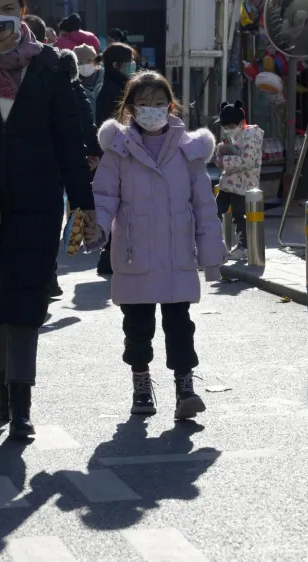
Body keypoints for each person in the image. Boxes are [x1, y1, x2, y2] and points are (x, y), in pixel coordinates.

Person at [0, 1, 95, 439]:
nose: (1, 14)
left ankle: (21, 404)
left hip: (38, 198)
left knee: (28, 304)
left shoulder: (50, 63)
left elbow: (69, 138)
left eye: (10, 5)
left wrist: (83, 202)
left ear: (23, 11)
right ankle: (1, 392)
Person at [89, 71, 226, 419]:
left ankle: (185, 388)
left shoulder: (189, 151)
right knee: (137, 327)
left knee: (180, 324)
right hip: (134, 254)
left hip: (178, 255)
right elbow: (104, 197)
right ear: (131, 109)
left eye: (159, 103)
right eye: (145, 104)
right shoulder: (118, 150)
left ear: (171, 105)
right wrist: (98, 229)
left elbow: (204, 208)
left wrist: (211, 256)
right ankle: (141, 383)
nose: (152, 109)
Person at [52, 48, 103, 297]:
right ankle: (48, 273)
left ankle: (49, 272)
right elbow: (84, 115)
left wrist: (93, 150)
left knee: (57, 211)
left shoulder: (53, 72)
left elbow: (84, 115)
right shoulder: (61, 74)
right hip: (65, 156)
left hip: (57, 158)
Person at [94, 42, 137, 275]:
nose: (132, 66)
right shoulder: (114, 90)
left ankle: (110, 256)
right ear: (116, 64)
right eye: (128, 61)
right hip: (119, 157)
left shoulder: (116, 86)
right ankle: (111, 256)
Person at [215, 100, 264, 261]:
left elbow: (247, 160)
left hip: (244, 184)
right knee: (214, 211)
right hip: (228, 182)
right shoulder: (233, 134)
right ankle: (213, 244)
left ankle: (244, 247)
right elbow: (230, 151)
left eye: (231, 126)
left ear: (242, 122)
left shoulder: (251, 135)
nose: (229, 130)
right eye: (226, 127)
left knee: (238, 214)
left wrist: (225, 161)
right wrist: (222, 150)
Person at [74, 44, 103, 115]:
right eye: (79, 63)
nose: (84, 65)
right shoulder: (71, 84)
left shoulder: (107, 79)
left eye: (89, 61)